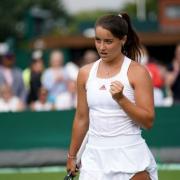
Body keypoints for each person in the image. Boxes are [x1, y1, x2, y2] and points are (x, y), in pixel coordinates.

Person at [66, 13, 158, 180]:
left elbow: (148, 121)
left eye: (108, 41)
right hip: (94, 160)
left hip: (131, 158)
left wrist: (122, 100)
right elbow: (81, 118)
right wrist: (72, 156)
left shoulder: (138, 72)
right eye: (98, 40)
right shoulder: (85, 73)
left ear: (122, 40)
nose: (102, 47)